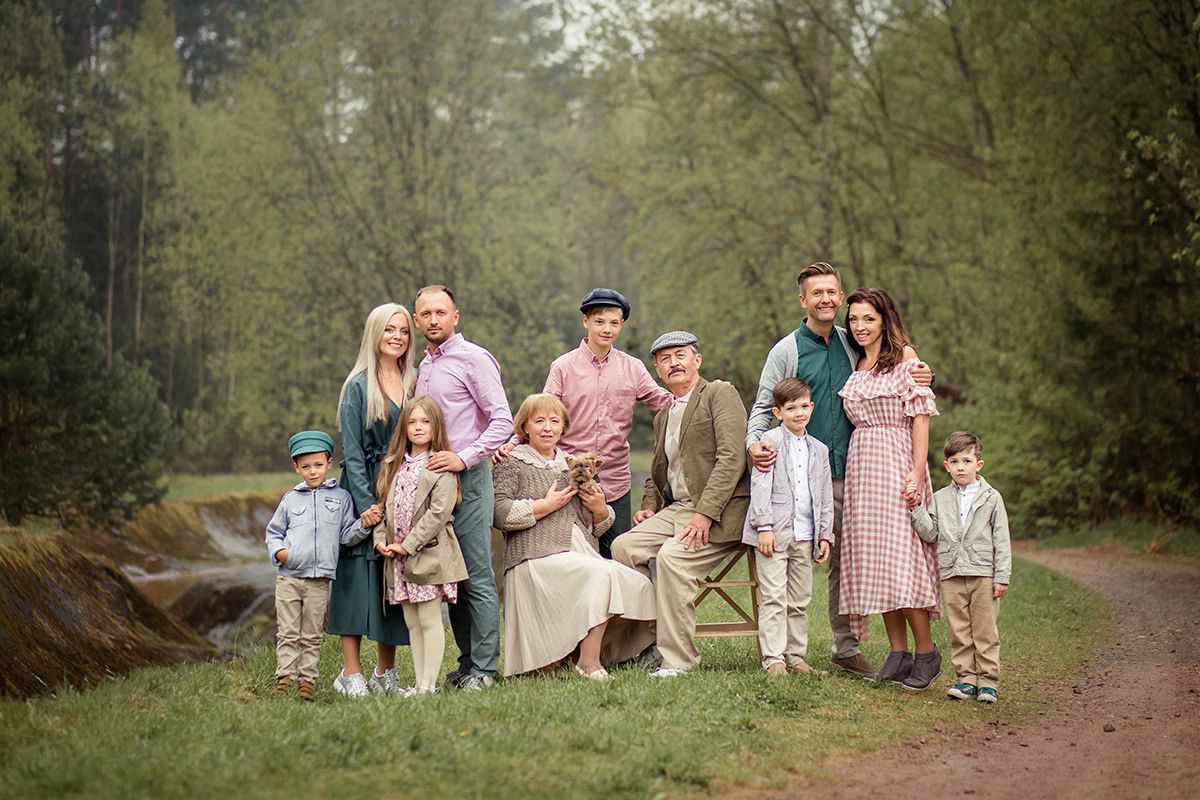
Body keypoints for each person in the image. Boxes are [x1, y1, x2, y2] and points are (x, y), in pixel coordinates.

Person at [746, 262, 933, 677]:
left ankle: (845, 648)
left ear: (840, 294)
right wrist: (754, 443)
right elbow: (762, 409)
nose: (826, 300)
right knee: (801, 563)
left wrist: (921, 368)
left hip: (860, 473)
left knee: (850, 562)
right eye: (817, 293)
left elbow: (899, 371)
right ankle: (783, 653)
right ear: (803, 300)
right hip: (799, 478)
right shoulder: (787, 350)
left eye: (833, 292)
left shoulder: (856, 343)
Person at [612, 331, 751, 677]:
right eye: (665, 358)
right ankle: (644, 644)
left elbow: (732, 459)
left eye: (681, 355)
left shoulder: (719, 393)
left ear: (696, 360)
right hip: (676, 510)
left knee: (673, 559)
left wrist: (705, 514)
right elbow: (658, 471)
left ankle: (679, 660)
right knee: (624, 547)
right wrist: (648, 505)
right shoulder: (662, 414)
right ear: (657, 370)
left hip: (719, 512)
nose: (674, 363)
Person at [493, 394, 656, 678]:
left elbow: (594, 525)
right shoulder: (511, 461)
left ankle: (573, 655)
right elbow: (498, 513)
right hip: (535, 556)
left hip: (580, 551)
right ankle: (588, 662)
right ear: (525, 427)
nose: (547, 428)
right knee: (601, 575)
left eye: (554, 421)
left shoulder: (572, 463)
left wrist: (601, 510)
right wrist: (543, 506)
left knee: (638, 584)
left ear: (563, 427)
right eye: (539, 421)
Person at [838, 287, 941, 690]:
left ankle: (927, 653)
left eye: (869, 318)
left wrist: (917, 472)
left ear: (885, 320)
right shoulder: (857, 362)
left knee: (903, 562)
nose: (860, 326)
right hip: (863, 472)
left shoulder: (906, 360)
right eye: (855, 319)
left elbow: (919, 418)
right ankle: (897, 655)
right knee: (877, 563)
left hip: (897, 464)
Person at [413, 285, 513, 691]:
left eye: (441, 312)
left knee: (476, 575)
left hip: (468, 478)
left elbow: (502, 420)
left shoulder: (474, 359)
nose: (433, 319)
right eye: (426, 314)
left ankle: (486, 670)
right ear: (417, 320)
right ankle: (467, 663)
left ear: (456, 317)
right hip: (433, 482)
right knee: (450, 575)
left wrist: (465, 457)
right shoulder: (426, 365)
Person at [535, 289, 673, 558]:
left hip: (615, 481)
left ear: (622, 325)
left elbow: (663, 401)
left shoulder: (632, 368)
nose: (606, 329)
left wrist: (704, 396)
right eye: (599, 322)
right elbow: (544, 413)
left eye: (614, 323)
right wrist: (514, 443)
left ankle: (620, 603)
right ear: (586, 321)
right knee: (571, 556)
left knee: (618, 556)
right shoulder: (563, 367)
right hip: (568, 480)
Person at [331, 303, 418, 697]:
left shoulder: (413, 381)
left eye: (403, 330)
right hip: (363, 492)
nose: (397, 337)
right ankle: (351, 673)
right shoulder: (358, 386)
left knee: (391, 582)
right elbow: (350, 449)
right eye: (390, 330)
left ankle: (386, 673)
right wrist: (366, 504)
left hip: (402, 492)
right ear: (375, 334)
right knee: (354, 582)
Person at [265, 430, 374, 702]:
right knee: (288, 630)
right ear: (296, 468)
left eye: (317, 465)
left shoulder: (341, 499)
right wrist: (281, 553)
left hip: (319, 581)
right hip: (289, 578)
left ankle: (307, 682)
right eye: (305, 467)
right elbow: (273, 532)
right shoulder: (290, 500)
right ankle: (285, 677)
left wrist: (364, 525)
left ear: (328, 463)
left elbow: (346, 536)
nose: (312, 472)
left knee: (312, 634)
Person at [372, 396, 469, 695]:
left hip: (428, 554)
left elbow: (439, 512)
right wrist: (381, 542)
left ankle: (429, 685)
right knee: (412, 622)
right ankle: (419, 683)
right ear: (404, 427)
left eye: (425, 421)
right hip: (398, 559)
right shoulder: (393, 464)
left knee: (428, 619)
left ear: (435, 426)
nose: (418, 427)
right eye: (412, 422)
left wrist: (408, 544)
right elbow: (382, 508)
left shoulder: (440, 464)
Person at [908, 431, 1011, 704]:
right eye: (954, 462)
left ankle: (988, 682)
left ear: (978, 464)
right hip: (952, 574)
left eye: (966, 461)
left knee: (985, 631)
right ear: (946, 466)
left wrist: (1001, 577)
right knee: (960, 631)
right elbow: (931, 533)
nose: (960, 467)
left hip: (983, 574)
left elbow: (1001, 539)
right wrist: (916, 509)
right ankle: (966, 680)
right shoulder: (940, 498)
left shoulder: (991, 498)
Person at [741, 378, 834, 677]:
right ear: (778, 412)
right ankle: (774, 658)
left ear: (812, 407)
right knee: (774, 597)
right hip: (774, 534)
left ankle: (796, 657)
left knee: (799, 600)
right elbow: (760, 485)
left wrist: (825, 536)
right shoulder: (769, 442)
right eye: (791, 408)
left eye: (804, 406)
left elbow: (825, 496)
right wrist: (764, 527)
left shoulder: (819, 450)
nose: (799, 413)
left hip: (805, 534)